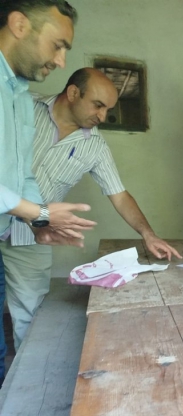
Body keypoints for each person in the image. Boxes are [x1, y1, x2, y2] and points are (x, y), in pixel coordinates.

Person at [0, 68, 182, 347]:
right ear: (73, 93)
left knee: (29, 314)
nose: (102, 116)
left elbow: (119, 195)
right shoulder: (23, 107)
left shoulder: (95, 146)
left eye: (107, 109)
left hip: (35, 233)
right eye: (98, 105)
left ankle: (18, 384)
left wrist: (148, 234)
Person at [0, 0, 97, 385]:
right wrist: (36, 211)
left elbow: (19, 175)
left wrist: (37, 219)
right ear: (20, 25)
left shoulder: (20, 97)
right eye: (57, 45)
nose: (60, 61)